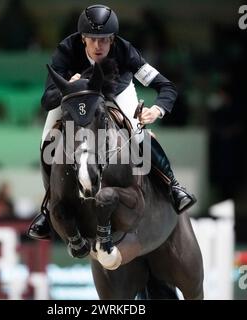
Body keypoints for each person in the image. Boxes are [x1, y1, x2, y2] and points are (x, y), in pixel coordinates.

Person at [28, 4, 196, 240]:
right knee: (48, 140)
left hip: (115, 93)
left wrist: (157, 109)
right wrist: (68, 84)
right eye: (94, 40)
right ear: (83, 38)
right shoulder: (66, 50)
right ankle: (48, 207)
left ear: (113, 39)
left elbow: (165, 86)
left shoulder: (126, 51)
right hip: (76, 98)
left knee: (138, 134)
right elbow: (47, 100)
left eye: (105, 40)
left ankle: (173, 186)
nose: (99, 46)